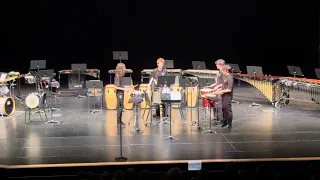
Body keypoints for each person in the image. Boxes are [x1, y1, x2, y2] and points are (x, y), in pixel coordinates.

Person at [114, 63, 131, 127]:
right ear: (121, 69)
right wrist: (124, 89)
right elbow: (115, 87)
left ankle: (120, 121)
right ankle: (118, 123)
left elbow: (120, 86)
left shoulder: (120, 76)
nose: (125, 69)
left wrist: (126, 88)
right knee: (119, 108)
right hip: (119, 94)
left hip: (121, 92)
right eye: (124, 68)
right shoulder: (118, 76)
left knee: (121, 108)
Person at [208, 59, 225, 123]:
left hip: (222, 90)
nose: (216, 65)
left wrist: (217, 87)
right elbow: (219, 81)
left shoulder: (223, 72)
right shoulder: (219, 72)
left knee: (220, 105)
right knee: (217, 105)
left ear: (220, 65)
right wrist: (214, 84)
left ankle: (221, 120)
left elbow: (224, 83)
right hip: (218, 89)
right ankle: (218, 118)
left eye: (216, 64)